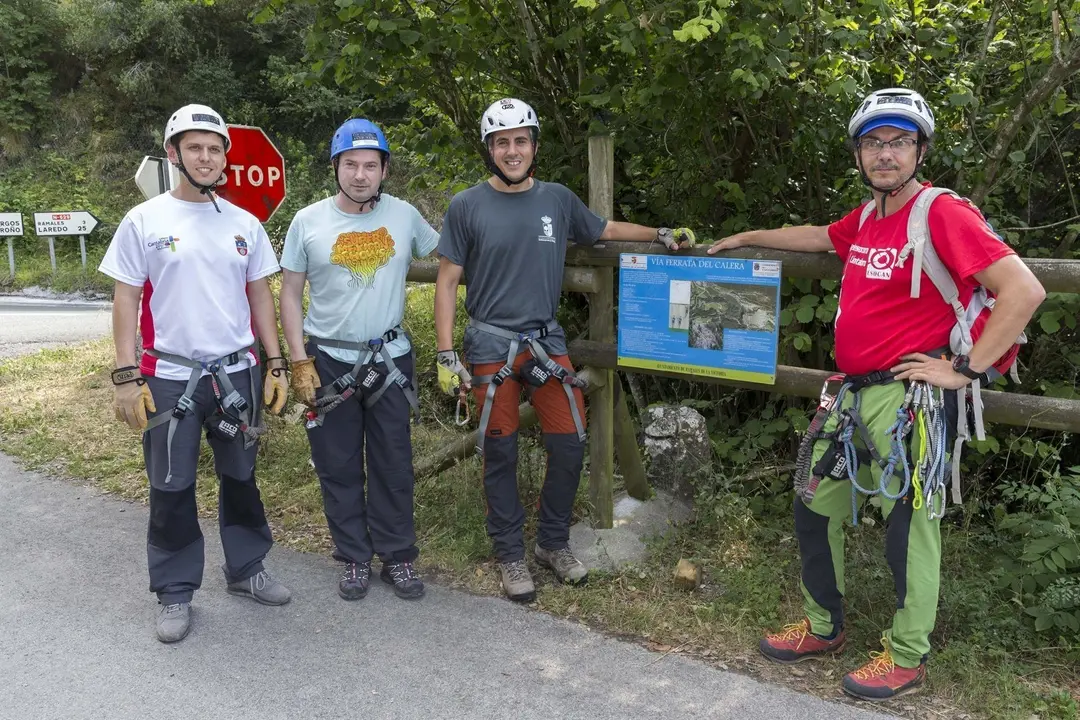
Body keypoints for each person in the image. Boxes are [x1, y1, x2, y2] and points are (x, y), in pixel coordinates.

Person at [707, 88, 1045, 701]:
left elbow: (1023, 290)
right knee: (814, 503)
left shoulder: (941, 213)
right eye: (873, 142)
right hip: (850, 394)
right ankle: (823, 625)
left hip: (909, 398)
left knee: (908, 526)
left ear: (920, 149)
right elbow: (817, 236)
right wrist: (744, 237)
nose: (885, 154)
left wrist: (964, 370)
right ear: (859, 153)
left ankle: (908, 655)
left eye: (899, 142)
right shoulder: (867, 218)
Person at [434, 97, 697, 602]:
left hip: (546, 340)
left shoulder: (556, 198)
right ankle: (510, 553)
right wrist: (446, 355)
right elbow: (446, 282)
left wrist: (660, 234)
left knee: (569, 442)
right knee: (500, 450)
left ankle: (551, 544)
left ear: (534, 146)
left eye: (521, 141)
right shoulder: (467, 205)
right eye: (502, 143)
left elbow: (605, 229)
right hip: (491, 341)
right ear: (489, 150)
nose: (513, 151)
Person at [100, 103, 291, 644]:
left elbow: (260, 295)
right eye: (195, 148)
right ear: (173, 154)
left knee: (241, 477)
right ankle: (175, 590)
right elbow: (125, 297)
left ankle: (247, 569)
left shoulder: (244, 223)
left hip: (238, 374)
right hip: (168, 377)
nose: (206, 157)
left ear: (225, 157)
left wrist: (275, 363)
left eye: (214, 148)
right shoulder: (145, 220)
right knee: (170, 485)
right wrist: (124, 374)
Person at [279, 118, 438, 602]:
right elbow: (289, 293)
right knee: (337, 463)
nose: (361, 175)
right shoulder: (308, 221)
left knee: (393, 461)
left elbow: (451, 256)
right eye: (351, 164)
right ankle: (352, 557)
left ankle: (398, 556)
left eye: (371, 165)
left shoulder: (405, 215)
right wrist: (298, 359)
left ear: (385, 169)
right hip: (329, 359)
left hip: (388, 358)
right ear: (336, 167)